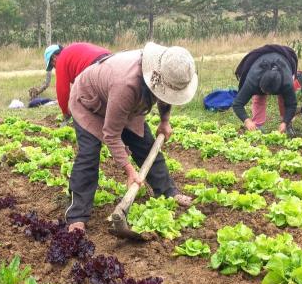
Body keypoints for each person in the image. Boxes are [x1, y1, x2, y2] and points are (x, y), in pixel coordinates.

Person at [65, 42, 197, 234]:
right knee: (89, 155)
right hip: (89, 102)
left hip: (124, 104)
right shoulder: (126, 85)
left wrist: (165, 121)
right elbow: (111, 134)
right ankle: (77, 215)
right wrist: (129, 171)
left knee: (146, 145)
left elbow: (166, 96)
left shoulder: (166, 69)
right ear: (156, 79)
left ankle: (168, 191)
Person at [29, 42, 112, 118]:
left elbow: (62, 90)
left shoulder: (61, 59)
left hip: (95, 67)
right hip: (111, 59)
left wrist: (65, 112)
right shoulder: (71, 51)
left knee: (89, 106)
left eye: (52, 65)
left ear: (54, 58)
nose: (54, 68)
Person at [232, 44, 299, 135]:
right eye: (264, 91)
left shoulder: (287, 82)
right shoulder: (253, 80)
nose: (268, 94)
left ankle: (287, 125)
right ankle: (257, 125)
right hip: (259, 63)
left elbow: (292, 104)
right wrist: (247, 120)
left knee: (284, 100)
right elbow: (237, 104)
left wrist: (285, 122)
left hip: (285, 61)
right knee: (259, 98)